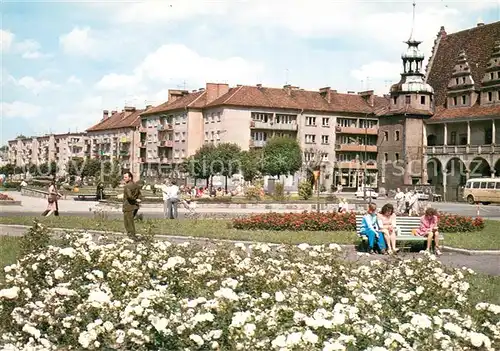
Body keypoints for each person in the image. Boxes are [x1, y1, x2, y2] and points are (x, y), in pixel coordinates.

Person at [122, 172, 142, 240]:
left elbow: (129, 196)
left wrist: (135, 200)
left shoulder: (127, 186)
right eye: (124, 177)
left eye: (125, 177)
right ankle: (132, 236)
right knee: (131, 221)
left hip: (128, 206)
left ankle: (132, 236)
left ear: (130, 178)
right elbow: (139, 194)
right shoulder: (136, 185)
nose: (124, 178)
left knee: (128, 222)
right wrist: (138, 200)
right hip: (135, 206)